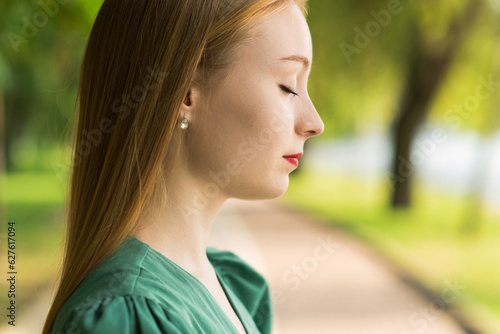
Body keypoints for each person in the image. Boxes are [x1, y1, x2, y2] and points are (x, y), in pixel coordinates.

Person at [43, 0, 324, 332]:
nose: (314, 123)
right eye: (288, 85)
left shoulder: (235, 287)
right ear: (185, 94)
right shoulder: (130, 318)